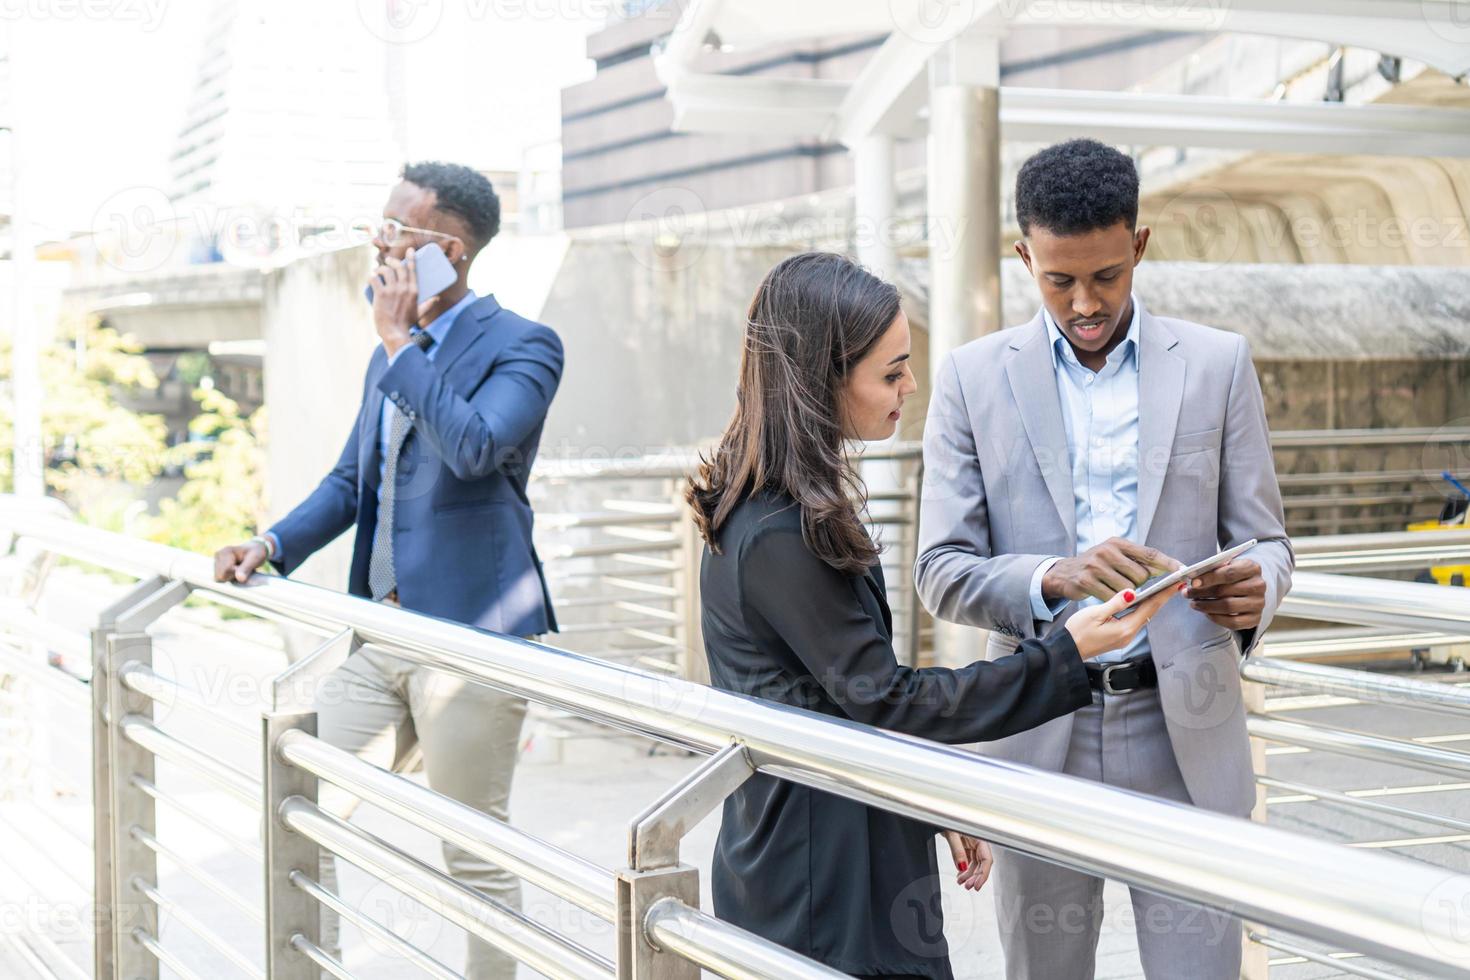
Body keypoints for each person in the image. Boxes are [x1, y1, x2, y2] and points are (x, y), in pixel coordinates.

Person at [687, 250, 1183, 980]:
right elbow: (886, 696)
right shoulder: (776, 529)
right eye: (891, 373)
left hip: (836, 834)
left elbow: (849, 695)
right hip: (820, 872)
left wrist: (924, 795)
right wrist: (1064, 654)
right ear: (821, 380)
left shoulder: (776, 504)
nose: (910, 386)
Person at [915, 138, 1294, 980]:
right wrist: (1051, 577)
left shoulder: (1217, 364)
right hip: (1040, 725)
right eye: (1059, 280)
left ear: (1140, 246)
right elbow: (939, 567)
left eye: (1106, 275)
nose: (1085, 302)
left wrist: (1256, 586)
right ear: (1024, 257)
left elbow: (1269, 539)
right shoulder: (973, 379)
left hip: (1184, 729)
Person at [213, 161, 562, 980]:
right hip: (383, 631)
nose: (378, 243)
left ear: (449, 250)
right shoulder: (389, 359)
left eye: (395, 232)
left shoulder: (525, 344)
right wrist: (268, 545)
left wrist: (403, 342)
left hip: (474, 639)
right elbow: (350, 481)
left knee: (472, 850)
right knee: (302, 803)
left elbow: (477, 449)